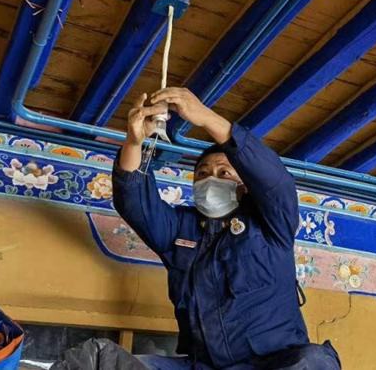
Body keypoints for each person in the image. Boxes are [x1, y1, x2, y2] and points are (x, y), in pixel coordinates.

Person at [112, 88, 341, 370]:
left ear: (244, 185)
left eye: (224, 173)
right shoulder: (180, 228)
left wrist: (206, 118)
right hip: (204, 365)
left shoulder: (270, 222)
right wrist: (134, 142)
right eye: (202, 174)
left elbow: (276, 183)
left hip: (272, 364)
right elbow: (134, 202)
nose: (211, 180)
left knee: (314, 361)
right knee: (108, 362)